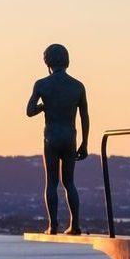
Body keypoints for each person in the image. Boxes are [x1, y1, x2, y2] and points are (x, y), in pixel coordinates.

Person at [26, 44, 89, 235]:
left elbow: (29, 111)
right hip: (70, 137)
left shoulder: (42, 84)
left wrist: (44, 107)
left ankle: (53, 225)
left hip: (51, 137)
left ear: (47, 62)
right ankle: (75, 224)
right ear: (67, 60)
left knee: (51, 182)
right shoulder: (78, 86)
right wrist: (85, 143)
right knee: (69, 182)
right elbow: (85, 116)